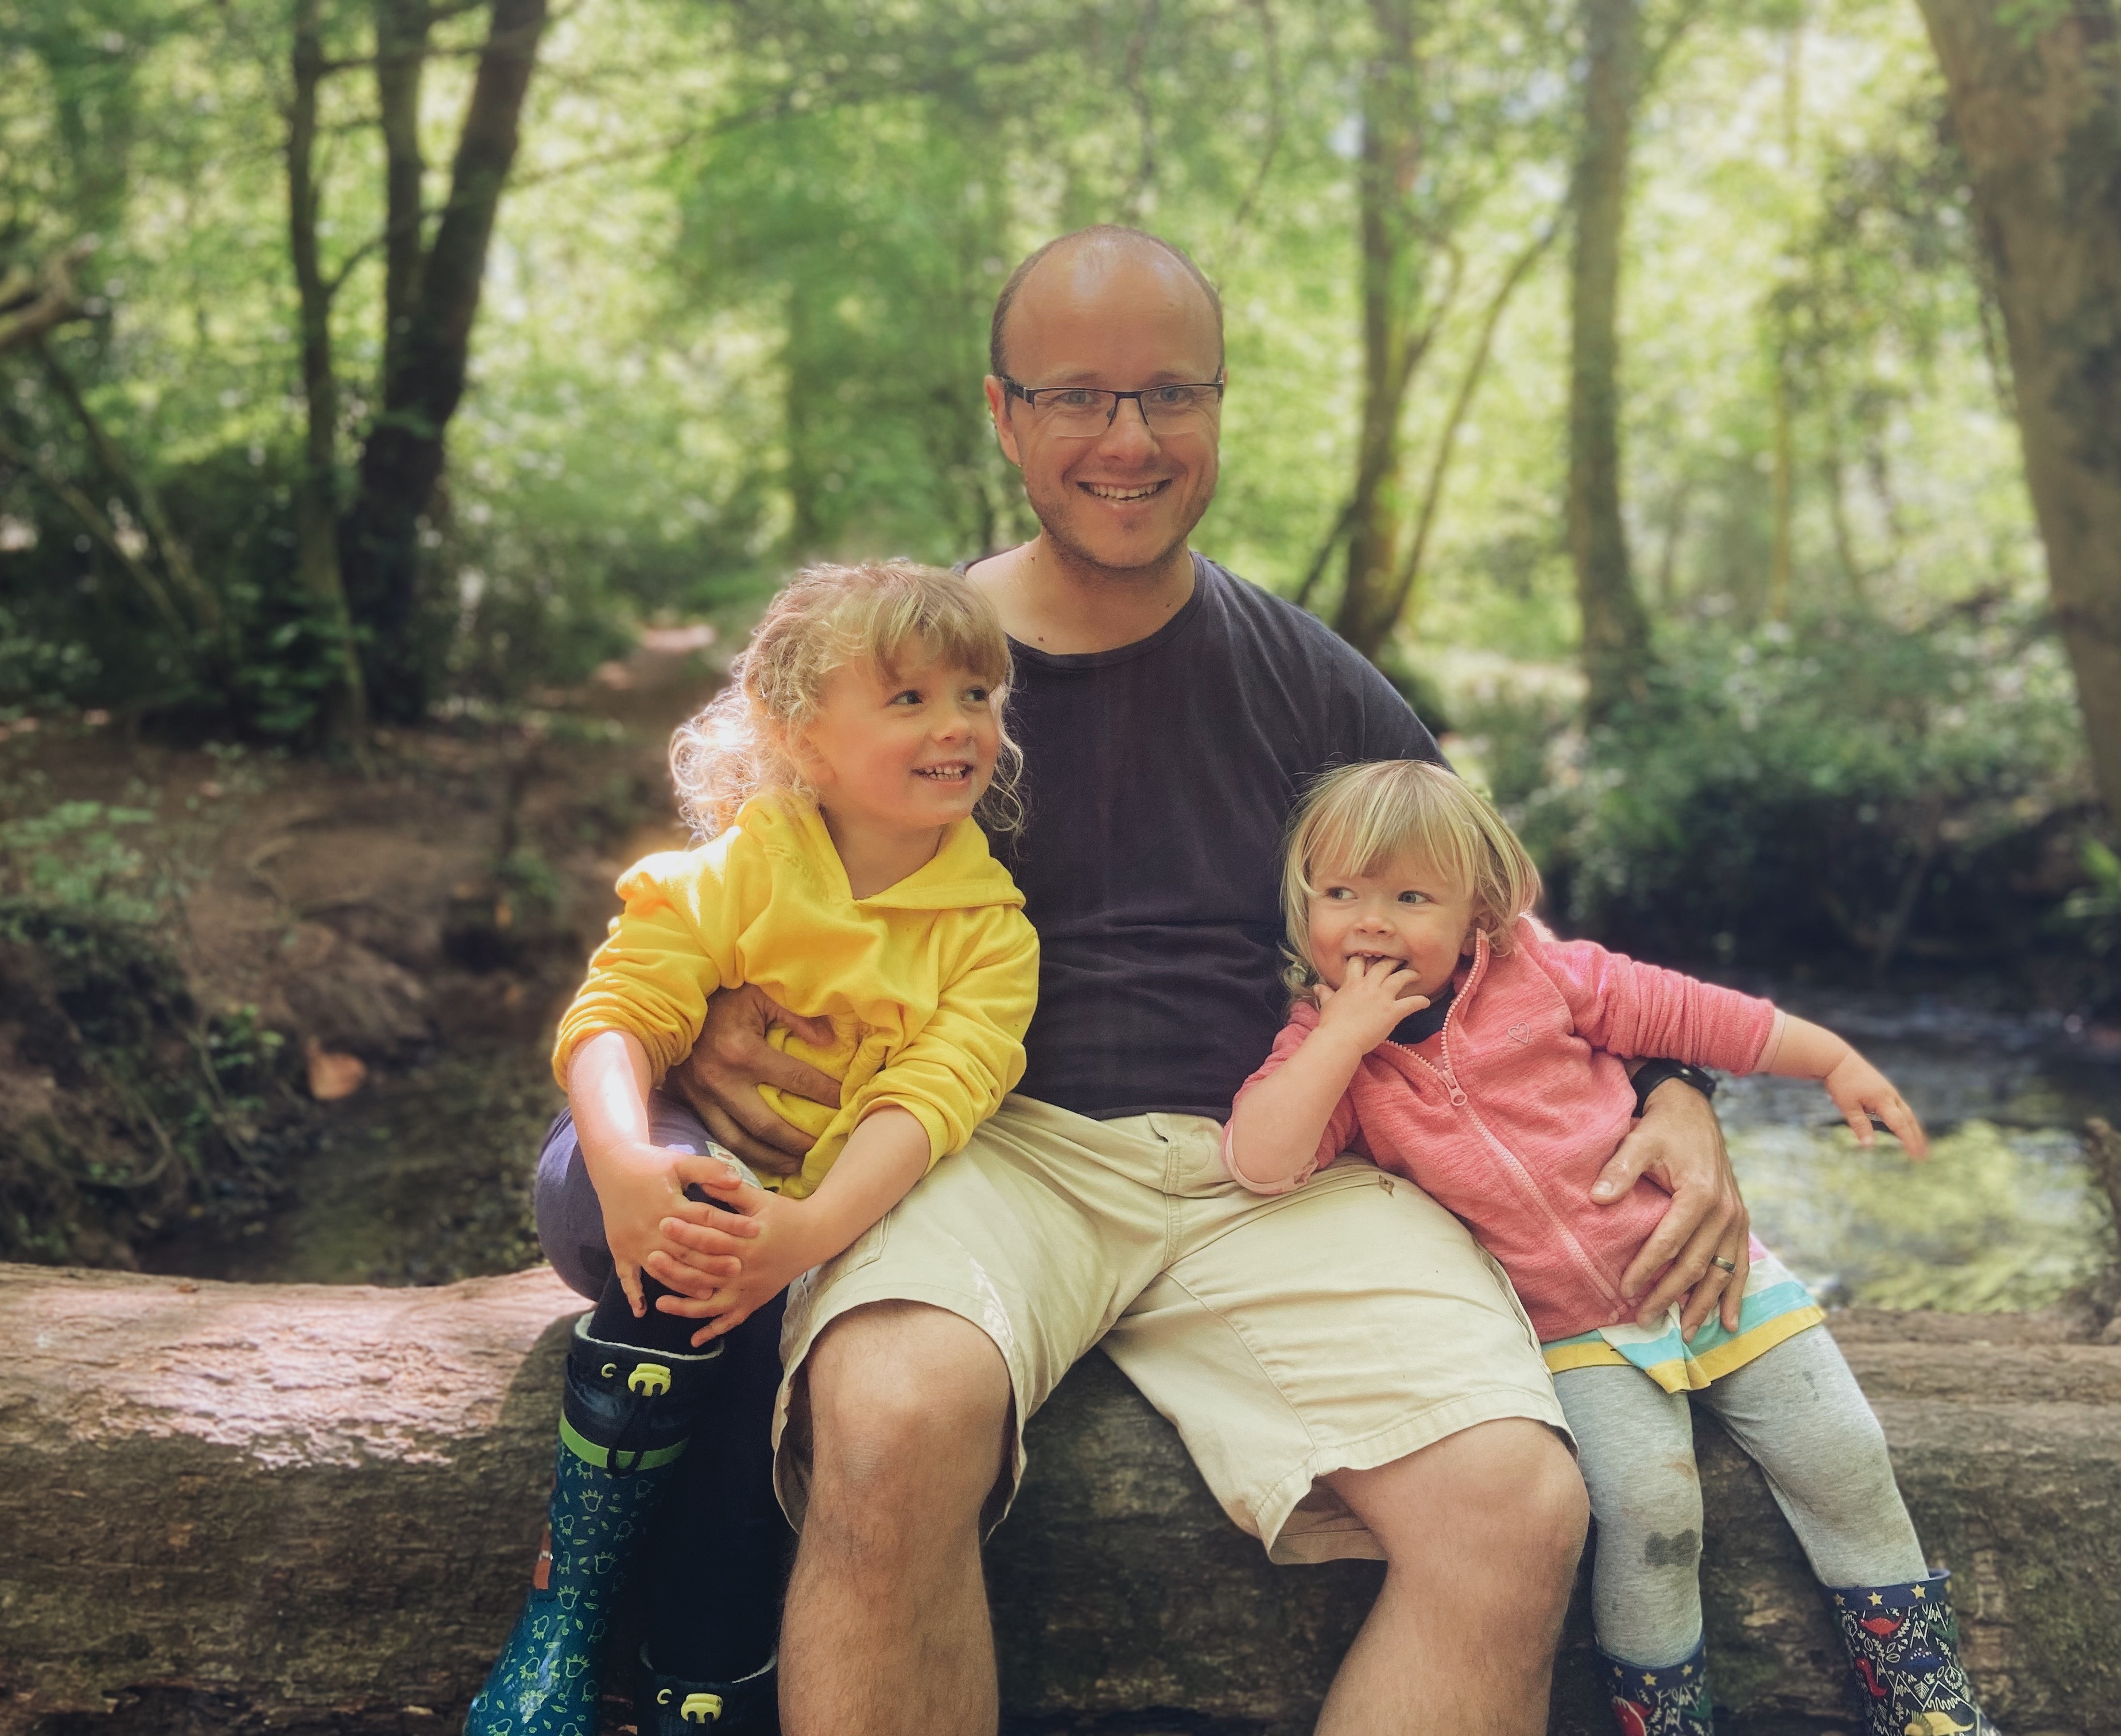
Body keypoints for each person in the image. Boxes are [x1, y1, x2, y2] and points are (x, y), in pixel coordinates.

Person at [649, 224, 1753, 1736]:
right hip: (982, 1147)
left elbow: (1510, 943)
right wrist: (703, 1022)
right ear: (1004, 416)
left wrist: (1681, 1087)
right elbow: (716, 893)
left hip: (1277, 1161)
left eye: (1172, 394)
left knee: (1514, 1502)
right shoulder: (901, 665)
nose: (1129, 439)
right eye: (1078, 398)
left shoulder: (1309, 679)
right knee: (894, 1414)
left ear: (1220, 408)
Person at [1224, 759, 2002, 1736]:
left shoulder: (1543, 975)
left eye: (1410, 897)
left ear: (1479, 914)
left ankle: (1927, 1701)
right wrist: (1340, 1040)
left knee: (1844, 1453)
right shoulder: (1329, 1052)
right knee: (1648, 1514)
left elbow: (1697, 1014)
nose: (1370, 923)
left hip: (1711, 1279)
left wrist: (1833, 1061)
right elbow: (1260, 1160)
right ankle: (1666, 1719)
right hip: (1570, 1337)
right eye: (1341, 895)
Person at [466, 560, 1040, 1736]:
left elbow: (937, 1097)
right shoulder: (746, 864)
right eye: (910, 699)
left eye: (977, 694)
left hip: (805, 1227)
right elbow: (619, 1014)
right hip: (634, 1175)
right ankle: (563, 1619)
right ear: (800, 733)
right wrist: (625, 1160)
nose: (958, 725)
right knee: (702, 1221)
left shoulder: (990, 936)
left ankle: (699, 1674)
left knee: (779, 1358)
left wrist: (810, 1236)